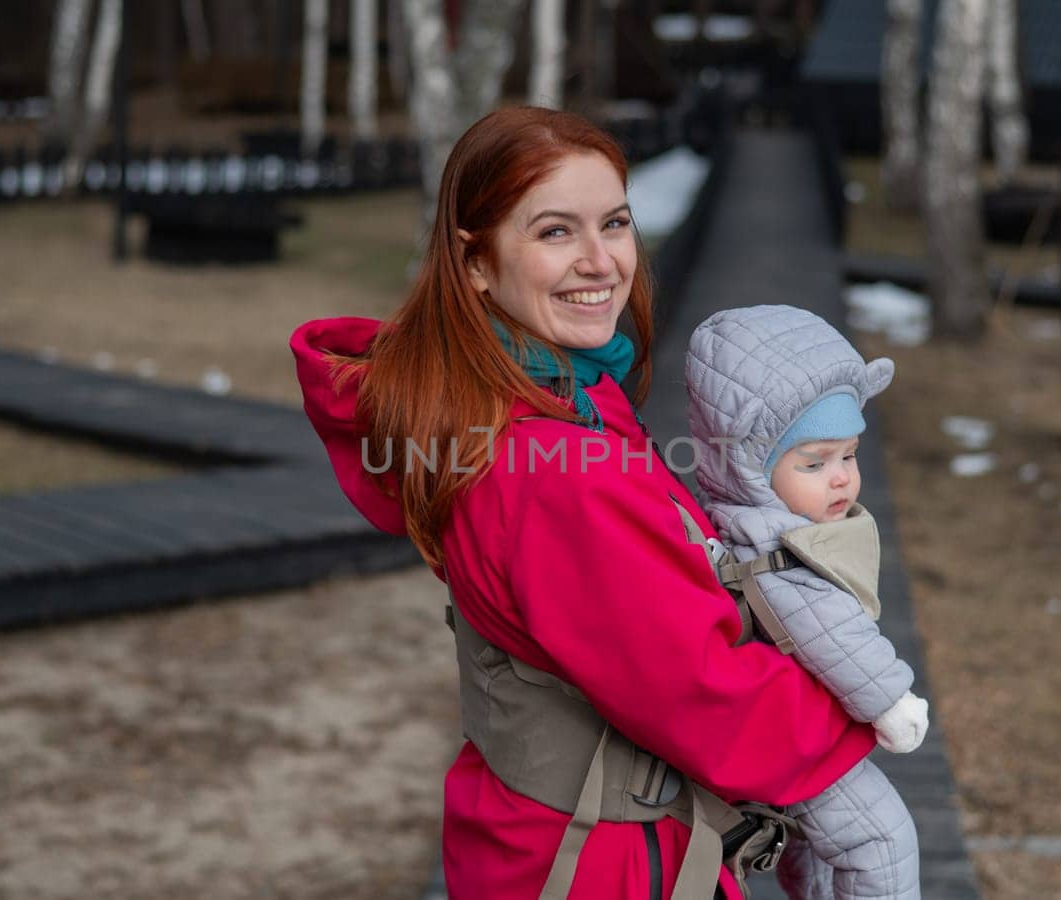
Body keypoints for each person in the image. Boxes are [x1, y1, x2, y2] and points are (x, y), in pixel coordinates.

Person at [290, 106, 879, 899]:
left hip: (536, 839)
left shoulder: (547, 392)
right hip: (602, 867)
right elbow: (700, 695)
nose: (601, 261)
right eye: (556, 232)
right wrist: (862, 702)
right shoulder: (554, 468)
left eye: (616, 223)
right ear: (476, 262)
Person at [685, 305, 929, 900]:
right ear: (747, 465)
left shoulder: (743, 519)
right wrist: (892, 702)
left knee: (815, 846)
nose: (842, 478)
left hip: (787, 724)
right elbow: (835, 635)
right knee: (881, 840)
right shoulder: (778, 551)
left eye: (849, 455)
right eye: (815, 462)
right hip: (793, 733)